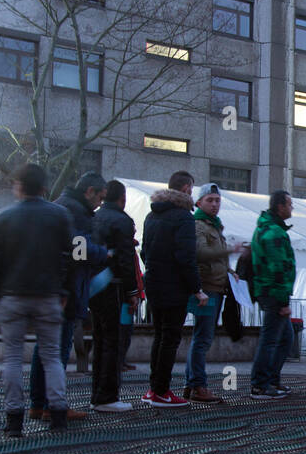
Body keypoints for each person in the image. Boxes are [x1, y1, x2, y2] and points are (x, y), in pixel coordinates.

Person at [0, 164, 74, 436]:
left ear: (19, 186)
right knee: (51, 356)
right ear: (44, 187)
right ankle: (58, 414)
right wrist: (65, 291)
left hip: (12, 295)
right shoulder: (59, 215)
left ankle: (14, 420)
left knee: (12, 357)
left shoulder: (3, 218)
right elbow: (71, 257)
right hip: (48, 295)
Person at [29, 171, 107, 422]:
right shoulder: (74, 211)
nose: (100, 204)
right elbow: (77, 249)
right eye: (100, 197)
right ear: (89, 191)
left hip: (49, 288)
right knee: (58, 350)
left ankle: (39, 404)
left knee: (44, 349)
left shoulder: (60, 206)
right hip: (66, 290)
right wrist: (105, 253)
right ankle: (54, 405)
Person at [141, 172, 201, 407]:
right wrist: (196, 288)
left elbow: (145, 251)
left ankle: (154, 388)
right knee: (170, 338)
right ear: (186, 188)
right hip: (174, 286)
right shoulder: (184, 217)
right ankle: (162, 391)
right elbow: (186, 257)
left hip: (154, 283)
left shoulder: (151, 215)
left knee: (160, 336)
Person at [186, 182, 241, 403]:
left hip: (215, 286)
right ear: (199, 202)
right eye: (210, 200)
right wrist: (229, 250)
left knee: (203, 338)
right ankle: (197, 385)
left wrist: (230, 270)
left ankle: (194, 384)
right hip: (207, 288)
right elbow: (201, 252)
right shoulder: (199, 225)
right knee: (202, 338)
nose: (215, 204)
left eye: (217, 200)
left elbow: (216, 257)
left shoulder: (214, 225)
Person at [90, 179, 136, 412]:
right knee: (114, 340)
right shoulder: (123, 221)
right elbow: (126, 261)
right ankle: (108, 396)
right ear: (122, 198)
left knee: (100, 339)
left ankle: (98, 392)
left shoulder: (94, 217)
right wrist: (132, 291)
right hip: (115, 285)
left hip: (95, 285)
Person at [249, 190, 297, 400]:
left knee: (285, 337)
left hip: (270, 292)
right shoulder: (275, 233)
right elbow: (278, 269)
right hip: (274, 294)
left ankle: (271, 380)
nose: (291, 208)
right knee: (271, 339)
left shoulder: (267, 229)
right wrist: (283, 301)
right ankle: (260, 384)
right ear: (280, 207)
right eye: (289, 204)